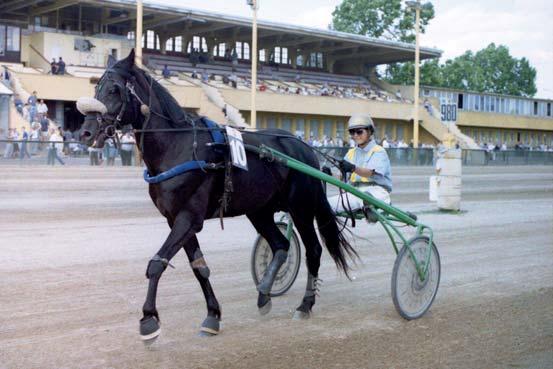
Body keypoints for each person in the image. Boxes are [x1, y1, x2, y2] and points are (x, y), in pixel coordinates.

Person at [328, 113, 392, 214]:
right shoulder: (350, 153)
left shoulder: (379, 151)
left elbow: (369, 173)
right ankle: (368, 208)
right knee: (324, 205)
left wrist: (353, 168)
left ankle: (372, 207)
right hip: (355, 193)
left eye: (359, 132)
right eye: (352, 132)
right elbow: (343, 178)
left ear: (370, 131)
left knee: (368, 197)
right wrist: (329, 175)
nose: (355, 135)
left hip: (377, 191)